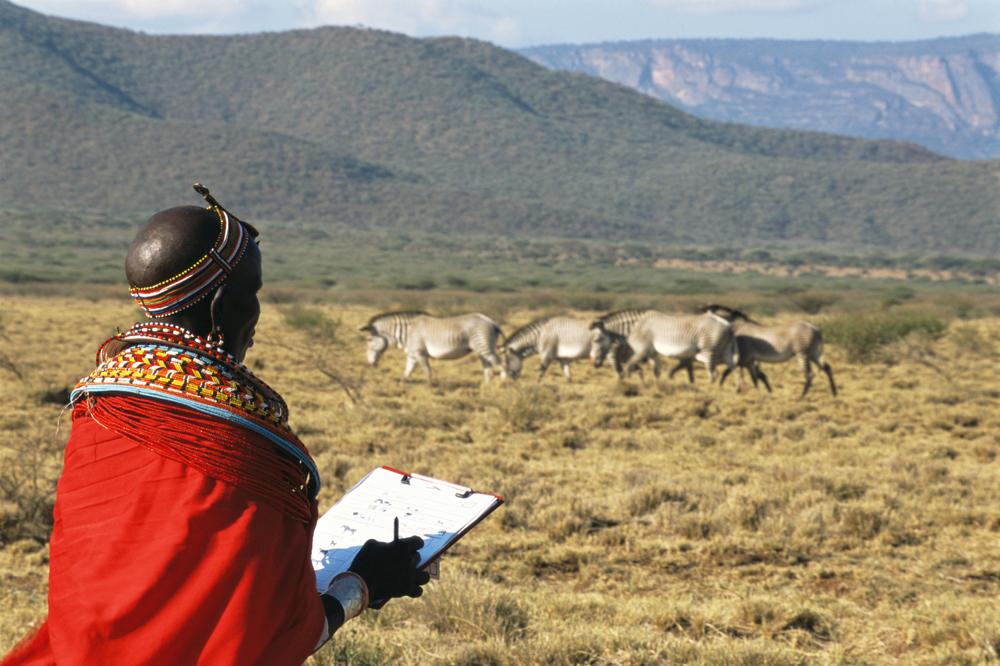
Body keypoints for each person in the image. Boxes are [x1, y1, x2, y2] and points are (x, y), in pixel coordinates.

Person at [2, 185, 429, 665]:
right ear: (222, 306)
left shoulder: (101, 409)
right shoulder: (246, 451)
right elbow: (265, 639)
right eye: (254, 293)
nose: (258, 314)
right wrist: (364, 583)